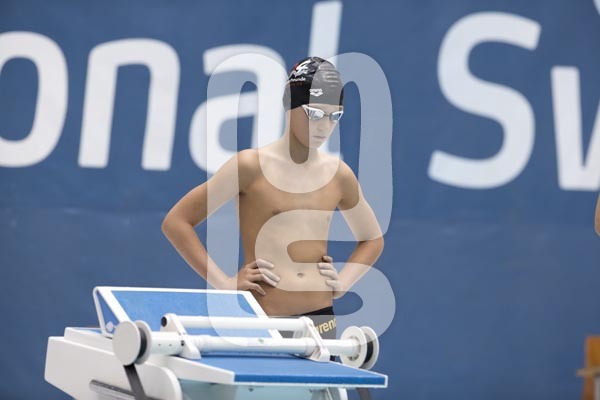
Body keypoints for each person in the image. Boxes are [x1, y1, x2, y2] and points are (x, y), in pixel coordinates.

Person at [161, 56, 384, 342]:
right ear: (289, 105)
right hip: (264, 318)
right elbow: (177, 222)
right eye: (315, 113)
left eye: (334, 116)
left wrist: (344, 281)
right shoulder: (250, 166)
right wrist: (223, 283)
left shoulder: (339, 175)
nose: (324, 126)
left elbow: (372, 239)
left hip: (321, 319)